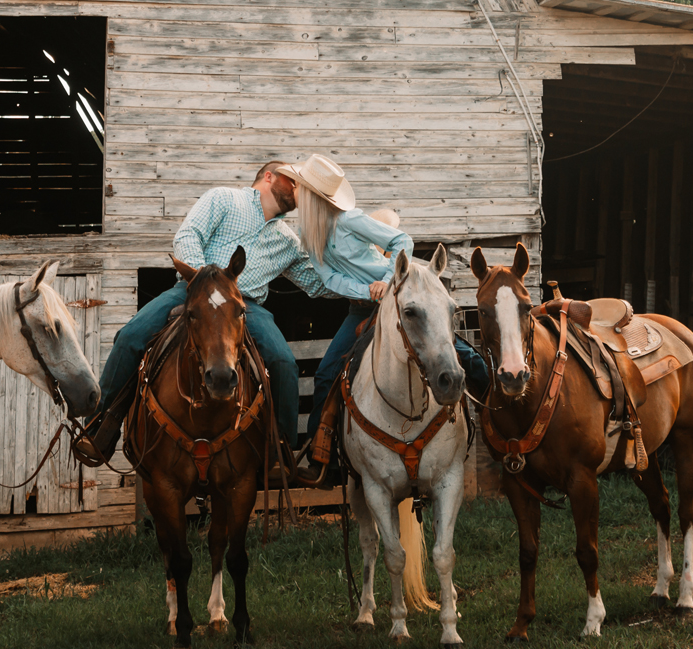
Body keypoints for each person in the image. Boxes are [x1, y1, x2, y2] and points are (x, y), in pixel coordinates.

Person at [71, 161, 341, 467]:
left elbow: (320, 285)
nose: (299, 191)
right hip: (193, 292)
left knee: (283, 363)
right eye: (294, 182)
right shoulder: (224, 199)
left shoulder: (288, 241)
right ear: (270, 176)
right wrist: (204, 285)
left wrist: (370, 284)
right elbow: (188, 235)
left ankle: (278, 447)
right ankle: (100, 426)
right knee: (131, 335)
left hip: (245, 305)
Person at [273, 155, 489, 465]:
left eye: (299, 188)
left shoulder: (350, 220)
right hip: (361, 308)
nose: (294, 192)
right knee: (327, 372)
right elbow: (329, 279)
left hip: (394, 299)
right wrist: (365, 291)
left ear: (310, 196)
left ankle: (495, 393)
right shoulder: (311, 237)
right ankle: (323, 452)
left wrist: (387, 282)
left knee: (444, 345)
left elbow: (402, 240)